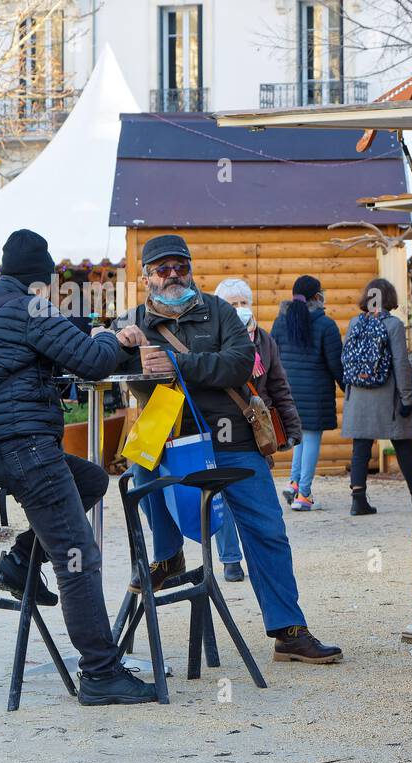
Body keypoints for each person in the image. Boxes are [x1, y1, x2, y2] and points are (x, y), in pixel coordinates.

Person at [113, 235, 340, 664]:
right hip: (166, 436)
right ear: (146, 277)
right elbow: (103, 363)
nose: (174, 275)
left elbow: (240, 361)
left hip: (232, 436)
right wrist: (119, 347)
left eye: (181, 266)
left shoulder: (219, 311)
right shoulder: (132, 321)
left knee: (268, 531)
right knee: (137, 469)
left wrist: (179, 364)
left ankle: (288, 631)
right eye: (163, 269)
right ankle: (167, 556)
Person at [0, 228, 156, 705]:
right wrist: (116, 336)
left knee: (90, 479)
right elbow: (91, 362)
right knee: (79, 554)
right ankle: (100, 672)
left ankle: (21, 560)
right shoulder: (32, 307)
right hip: (25, 449)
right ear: (41, 278)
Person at [210, 277, 304, 581]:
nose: (239, 309)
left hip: (257, 428)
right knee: (222, 494)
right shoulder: (213, 338)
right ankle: (230, 558)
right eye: (232, 304)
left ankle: (259, 559)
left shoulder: (264, 339)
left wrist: (291, 427)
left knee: (258, 499)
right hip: (222, 428)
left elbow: (279, 386)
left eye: (243, 302)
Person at [340, 278, 412, 515]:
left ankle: (358, 500)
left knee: (360, 447)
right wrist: (407, 398)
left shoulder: (355, 323)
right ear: (390, 298)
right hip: (387, 397)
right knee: (403, 445)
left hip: (358, 396)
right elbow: (401, 364)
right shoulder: (393, 325)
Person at [271, 275, 342, 512]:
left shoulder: (281, 322)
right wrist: (346, 386)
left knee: (299, 437)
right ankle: (304, 494)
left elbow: (274, 355)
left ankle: (294, 484)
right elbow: (335, 363)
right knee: (310, 438)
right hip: (316, 392)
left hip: (288, 391)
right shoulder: (326, 325)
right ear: (317, 296)